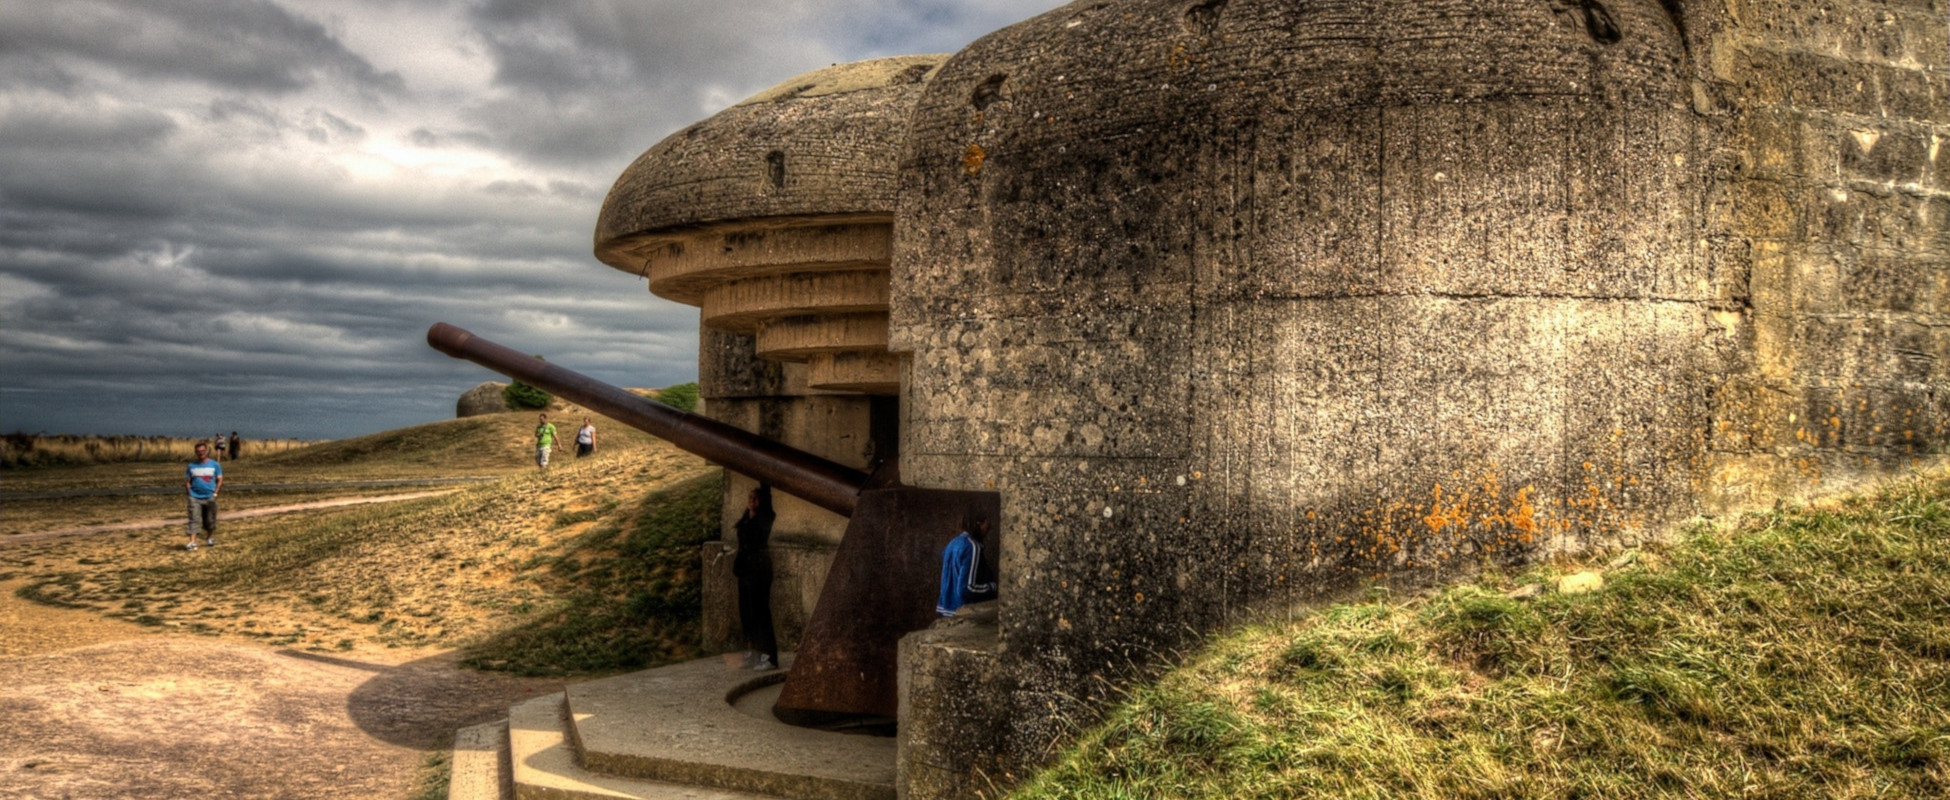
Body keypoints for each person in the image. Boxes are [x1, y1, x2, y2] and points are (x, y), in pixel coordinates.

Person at [732, 485, 778, 670]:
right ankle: (752, 654)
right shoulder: (745, 519)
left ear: (763, 501)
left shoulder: (766, 518)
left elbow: (767, 496)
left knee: (760, 613)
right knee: (747, 613)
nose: (751, 501)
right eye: (750, 498)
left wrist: (764, 488)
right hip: (745, 570)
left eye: (756, 499)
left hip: (759, 570)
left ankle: (769, 658)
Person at [937, 515, 996, 616]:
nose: (989, 530)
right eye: (988, 525)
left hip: (945, 610)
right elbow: (966, 589)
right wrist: (992, 587)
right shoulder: (972, 546)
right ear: (978, 524)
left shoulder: (952, 543)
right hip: (960, 612)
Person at [184, 441, 222, 550]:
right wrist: (189, 493)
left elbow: (220, 479)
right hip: (194, 497)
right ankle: (192, 542)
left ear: (207, 451)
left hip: (210, 496)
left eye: (203, 451)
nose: (201, 453)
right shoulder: (191, 466)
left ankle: (210, 537)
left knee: (210, 519)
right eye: (199, 451)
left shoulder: (215, 465)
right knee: (194, 519)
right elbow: (187, 481)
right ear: (196, 452)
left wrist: (216, 492)